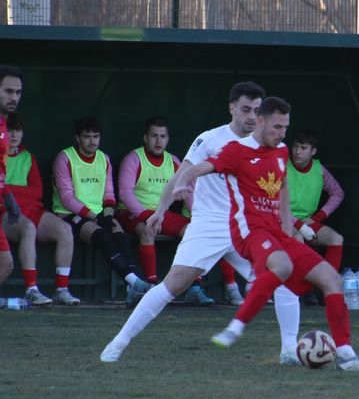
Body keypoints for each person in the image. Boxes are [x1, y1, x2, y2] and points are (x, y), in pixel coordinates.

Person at [173, 96, 359, 372]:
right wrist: (182, 182)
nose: (283, 134)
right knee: (282, 267)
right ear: (260, 121)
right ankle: (237, 325)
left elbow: (282, 186)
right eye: (277, 127)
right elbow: (199, 167)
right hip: (250, 231)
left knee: (333, 280)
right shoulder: (236, 150)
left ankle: (346, 356)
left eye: (285, 127)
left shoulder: (281, 151)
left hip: (277, 232)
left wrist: (287, 225)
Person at [100, 82, 301, 365]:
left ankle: (290, 352)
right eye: (245, 109)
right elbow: (182, 175)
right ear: (232, 108)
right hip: (210, 225)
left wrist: (285, 223)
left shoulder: (273, 145)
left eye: (257, 111)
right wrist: (160, 211)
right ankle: (118, 343)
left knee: (284, 279)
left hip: (249, 228)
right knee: (173, 285)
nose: (251, 116)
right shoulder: (211, 139)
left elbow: (281, 186)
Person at [117, 116, 242, 306]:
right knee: (147, 230)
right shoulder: (133, 158)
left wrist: (199, 216)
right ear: (145, 138)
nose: (158, 141)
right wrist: (146, 216)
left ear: (168, 139)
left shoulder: (174, 161)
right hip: (133, 213)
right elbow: (125, 193)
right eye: (154, 136)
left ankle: (195, 288)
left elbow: (188, 191)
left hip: (161, 214)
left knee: (195, 231)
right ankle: (151, 287)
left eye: (162, 136)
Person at [52, 116, 152, 307]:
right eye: (87, 137)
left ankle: (131, 288)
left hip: (98, 214)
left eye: (96, 136)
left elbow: (109, 194)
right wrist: (96, 218)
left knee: (120, 236)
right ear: (77, 138)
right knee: (101, 235)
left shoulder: (104, 159)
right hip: (69, 214)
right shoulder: (65, 158)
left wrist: (107, 215)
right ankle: (135, 282)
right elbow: (67, 198)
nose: (92, 141)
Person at [4, 112, 78, 305]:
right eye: (9, 130)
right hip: (6, 212)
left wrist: (9, 190)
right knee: (28, 228)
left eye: (18, 130)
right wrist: (13, 193)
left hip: (32, 210)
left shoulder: (28, 157)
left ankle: (62, 290)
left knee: (65, 230)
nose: (14, 135)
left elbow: (36, 192)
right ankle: (32, 289)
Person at [287, 129, 344, 306]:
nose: (297, 152)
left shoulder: (319, 170)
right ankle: (300, 291)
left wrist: (319, 216)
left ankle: (329, 288)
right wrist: (298, 224)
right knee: (297, 238)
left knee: (336, 239)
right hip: (283, 219)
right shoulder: (282, 166)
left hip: (307, 221)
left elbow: (338, 193)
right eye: (295, 146)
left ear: (313, 151)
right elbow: (273, 202)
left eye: (303, 148)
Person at [0, 66, 24, 298]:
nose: (14, 97)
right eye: (8, 91)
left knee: (5, 264)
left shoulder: (4, 125)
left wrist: (7, 196)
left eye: (17, 92)